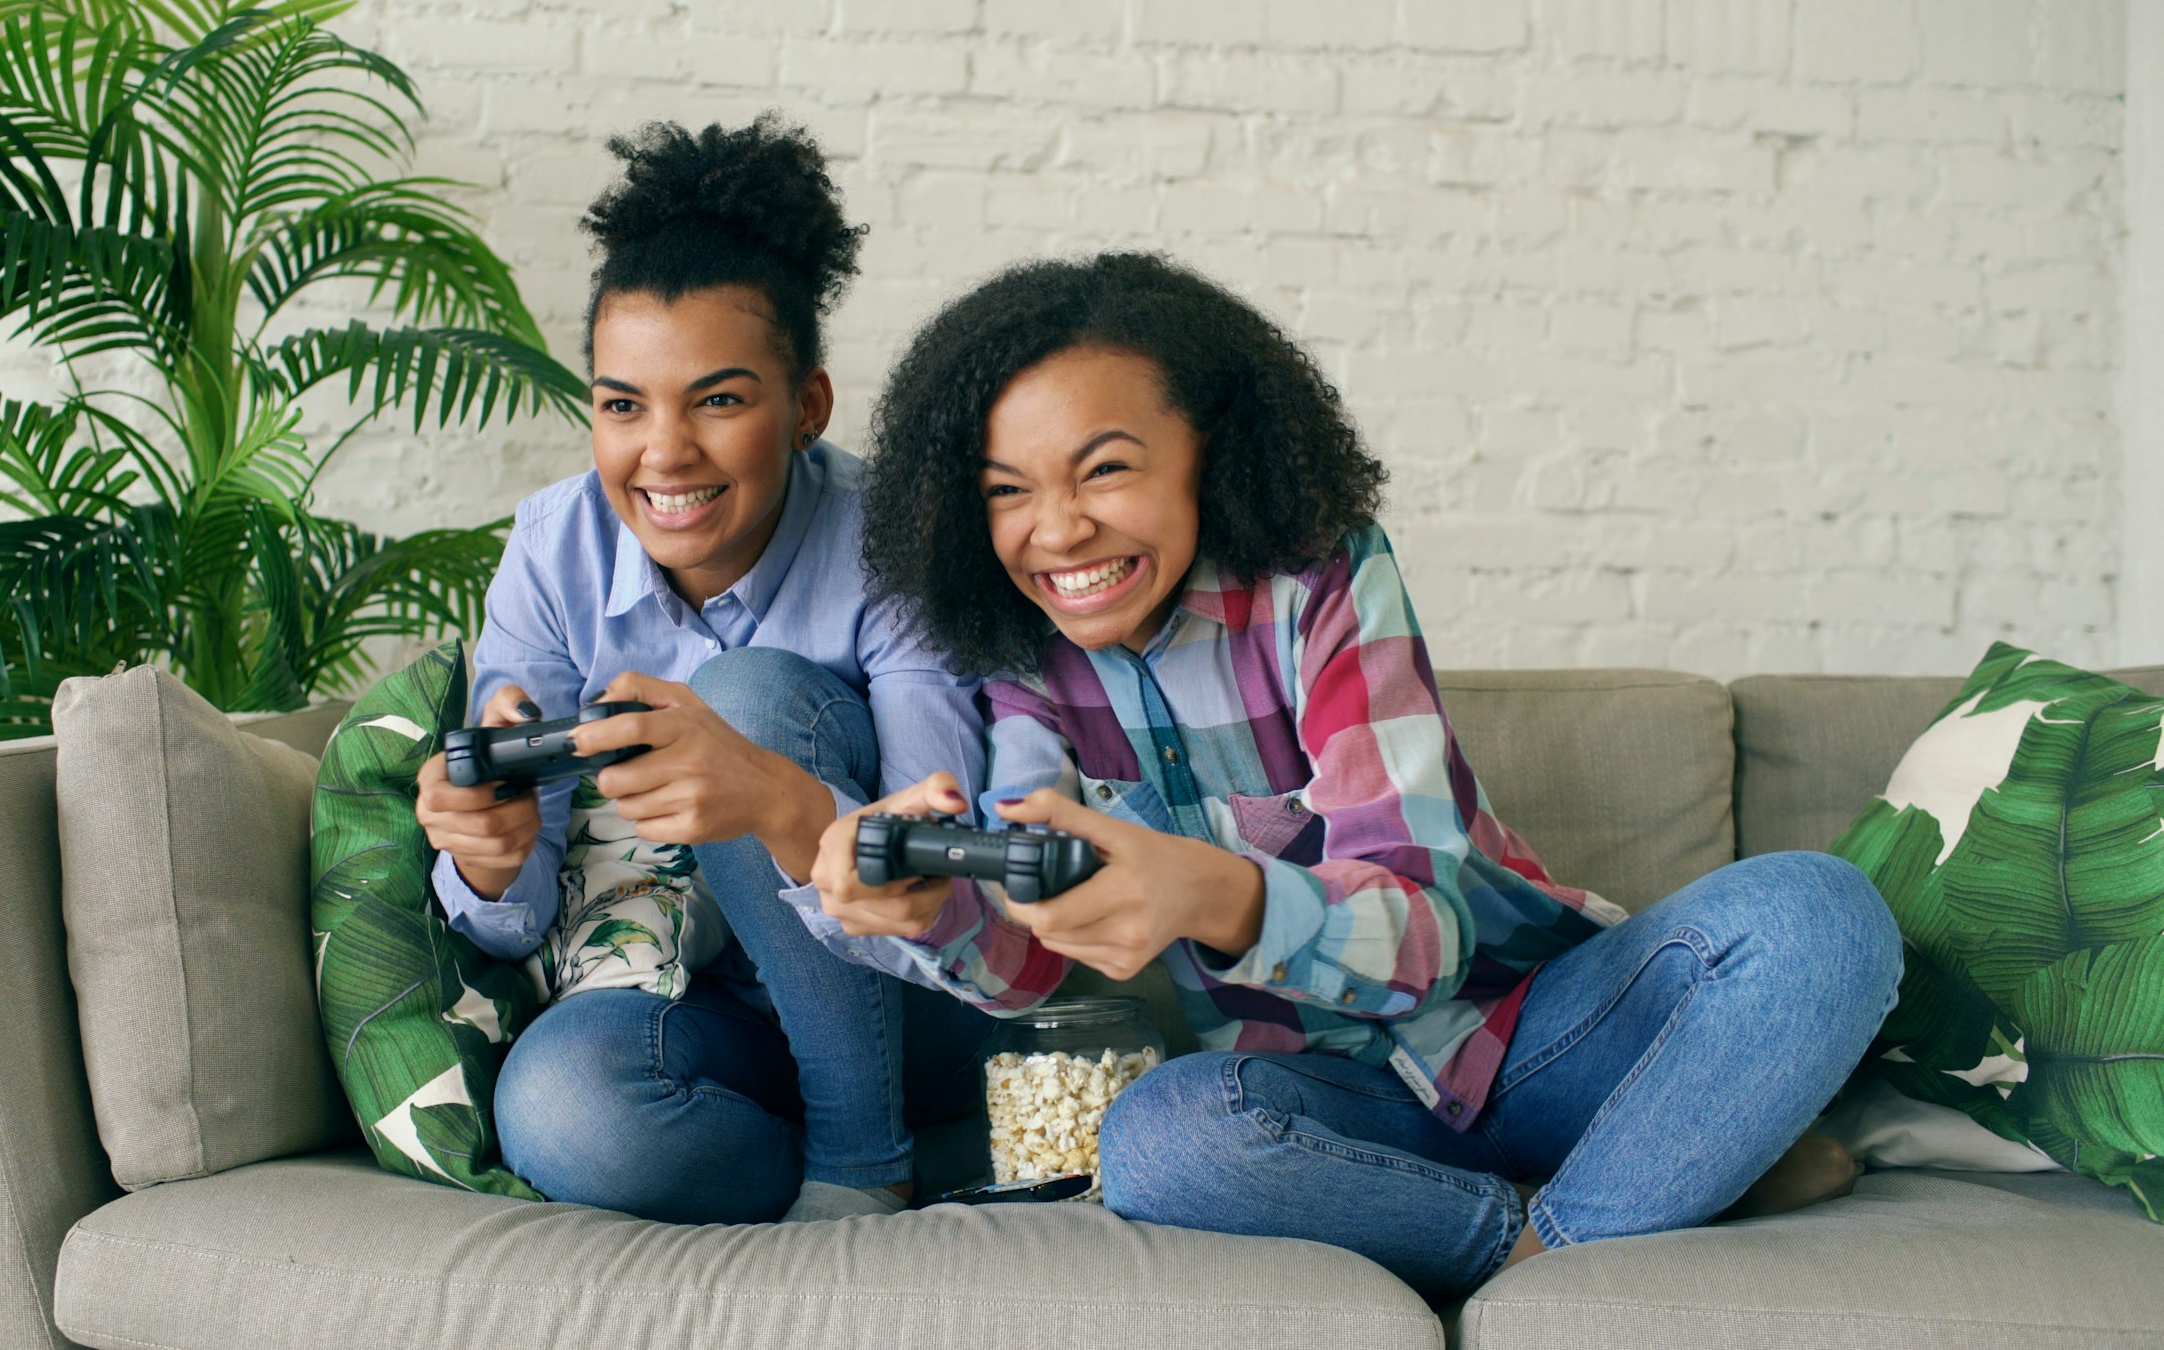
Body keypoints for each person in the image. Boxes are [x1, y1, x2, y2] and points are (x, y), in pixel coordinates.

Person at [809, 252, 1901, 1301]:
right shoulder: (1019, 663)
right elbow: (1030, 974)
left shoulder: (1319, 580)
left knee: (1819, 911)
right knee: (1160, 1142)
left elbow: (1424, 937)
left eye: (1105, 469)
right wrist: (926, 912)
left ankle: (1562, 1248)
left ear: (1211, 450)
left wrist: (1212, 892)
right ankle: (1614, 1205)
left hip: (1536, 1030)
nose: (1058, 529)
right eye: (1008, 491)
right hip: (1339, 1103)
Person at [413, 116, 991, 1225]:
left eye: (718, 400)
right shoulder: (551, 551)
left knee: (749, 700)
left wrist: (771, 793)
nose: (664, 452)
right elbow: (513, 919)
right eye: (622, 405)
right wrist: (487, 859)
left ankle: (868, 1165)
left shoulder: (897, 547)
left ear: (807, 406)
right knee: (565, 1108)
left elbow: (941, 884)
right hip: (711, 1013)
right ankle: (898, 1159)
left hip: (907, 1003)